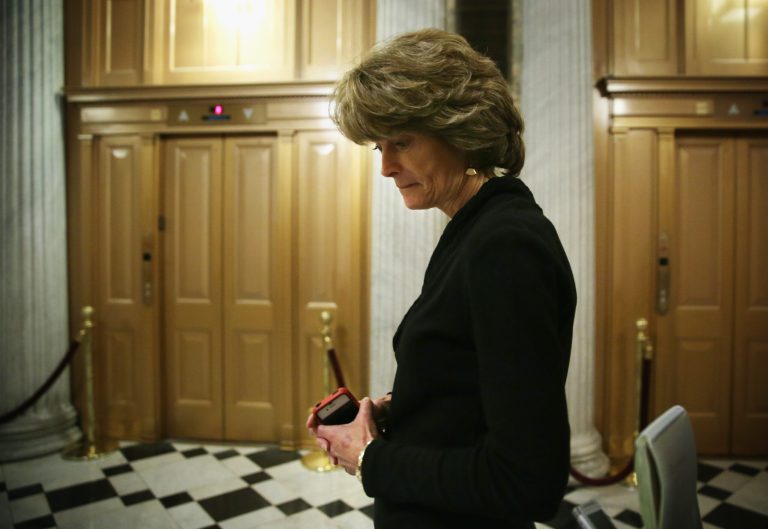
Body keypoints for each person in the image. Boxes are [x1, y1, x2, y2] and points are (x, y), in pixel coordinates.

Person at [307, 28, 576, 529]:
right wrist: (397, 409)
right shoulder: (476, 227)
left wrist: (368, 457)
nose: (387, 167)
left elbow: (526, 480)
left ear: (461, 129)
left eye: (402, 142)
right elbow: (474, 385)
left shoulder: (504, 245)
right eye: (379, 147)